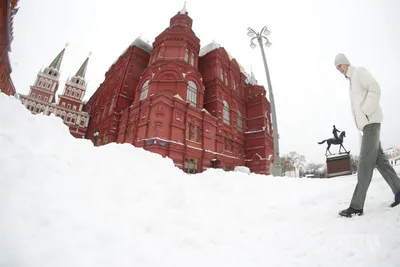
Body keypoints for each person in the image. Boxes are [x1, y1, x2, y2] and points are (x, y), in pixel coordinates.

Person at [334, 53, 400, 217]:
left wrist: (366, 110)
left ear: (346, 63)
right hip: (366, 127)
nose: (339, 70)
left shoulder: (358, 72)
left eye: (340, 66)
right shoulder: (351, 81)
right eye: (337, 68)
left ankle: (356, 206)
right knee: (381, 162)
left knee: (364, 164)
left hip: (371, 123)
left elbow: (375, 88)